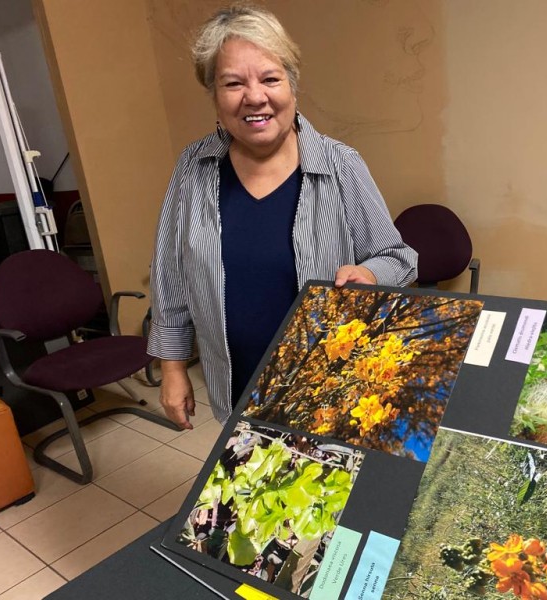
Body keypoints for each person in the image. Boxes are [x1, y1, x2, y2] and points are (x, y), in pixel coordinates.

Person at [147, 5, 418, 429]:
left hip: (329, 386)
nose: (255, 97)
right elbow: (171, 276)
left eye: (270, 79)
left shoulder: (341, 164)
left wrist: (370, 273)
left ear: (292, 85)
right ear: (214, 95)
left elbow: (397, 256)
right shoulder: (193, 168)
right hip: (236, 385)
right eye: (233, 83)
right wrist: (173, 368)